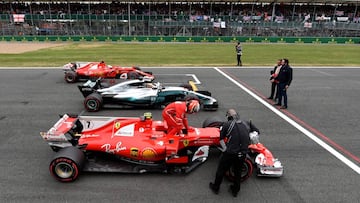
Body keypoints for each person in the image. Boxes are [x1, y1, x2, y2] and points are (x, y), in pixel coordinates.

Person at [209, 109, 259, 197]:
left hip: (231, 153)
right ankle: (235, 190)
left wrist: (224, 150)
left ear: (229, 117)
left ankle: (216, 187)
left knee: (221, 170)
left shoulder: (227, 124)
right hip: (243, 153)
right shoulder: (246, 123)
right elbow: (256, 132)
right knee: (238, 171)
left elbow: (220, 139)